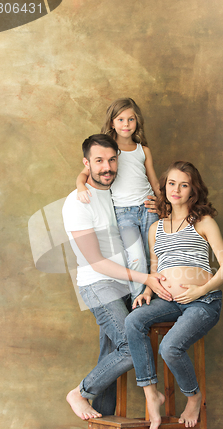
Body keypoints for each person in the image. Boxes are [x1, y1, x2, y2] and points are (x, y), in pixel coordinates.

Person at [62, 133, 171, 429]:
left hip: (127, 286)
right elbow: (95, 261)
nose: (107, 167)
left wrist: (155, 201)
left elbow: (143, 212)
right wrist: (145, 278)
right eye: (98, 161)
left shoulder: (117, 193)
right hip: (100, 285)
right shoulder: (77, 202)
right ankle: (79, 392)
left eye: (112, 160)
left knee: (110, 357)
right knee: (130, 346)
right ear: (87, 164)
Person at [125, 161, 223, 429]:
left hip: (202, 301)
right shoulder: (156, 228)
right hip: (169, 302)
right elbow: (155, 268)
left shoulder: (204, 222)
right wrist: (149, 290)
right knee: (133, 321)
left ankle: (194, 396)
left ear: (192, 191)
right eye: (171, 183)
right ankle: (152, 394)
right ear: (164, 188)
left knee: (169, 348)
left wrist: (200, 290)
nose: (176, 189)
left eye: (184, 185)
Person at [76, 98, 160, 301]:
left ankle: (158, 299)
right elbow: (83, 175)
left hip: (148, 208)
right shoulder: (110, 151)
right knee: (136, 258)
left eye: (131, 119)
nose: (126, 124)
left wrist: (162, 203)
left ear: (137, 122)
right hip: (124, 213)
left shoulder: (143, 150)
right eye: (120, 119)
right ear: (112, 123)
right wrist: (80, 187)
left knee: (155, 256)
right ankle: (138, 302)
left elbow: (155, 182)